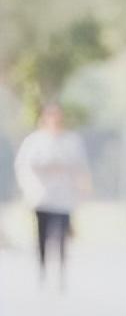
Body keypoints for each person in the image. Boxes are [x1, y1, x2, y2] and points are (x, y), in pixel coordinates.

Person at [14, 102, 92, 291]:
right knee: (42, 237)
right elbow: (24, 166)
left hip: (64, 198)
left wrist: (82, 188)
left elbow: (80, 166)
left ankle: (61, 275)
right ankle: (43, 273)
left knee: (62, 236)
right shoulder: (34, 141)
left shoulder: (71, 141)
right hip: (41, 197)